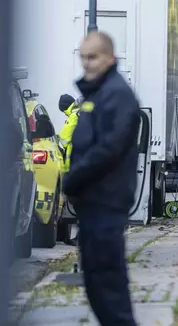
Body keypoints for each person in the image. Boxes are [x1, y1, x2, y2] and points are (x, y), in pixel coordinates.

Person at [62, 31, 140, 326]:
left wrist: (72, 179)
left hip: (106, 201)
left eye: (92, 57)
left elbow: (109, 149)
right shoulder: (95, 94)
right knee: (96, 285)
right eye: (82, 56)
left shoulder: (116, 94)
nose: (86, 63)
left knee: (108, 284)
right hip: (92, 202)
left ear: (110, 58)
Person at [58, 94, 80, 171]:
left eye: (63, 111)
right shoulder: (80, 111)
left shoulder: (74, 116)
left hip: (74, 160)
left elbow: (64, 139)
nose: (64, 113)